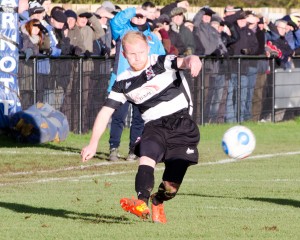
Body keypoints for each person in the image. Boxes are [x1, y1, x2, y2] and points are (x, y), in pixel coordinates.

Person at [81, 31, 202, 224]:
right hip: (154, 126)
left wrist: (194, 60)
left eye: (141, 52)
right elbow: (105, 112)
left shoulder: (160, 62)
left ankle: (157, 200)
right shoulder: (122, 82)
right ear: (123, 55)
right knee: (147, 156)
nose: (137, 58)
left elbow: (185, 61)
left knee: (171, 187)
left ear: (147, 49)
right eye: (132, 54)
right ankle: (140, 202)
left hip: (182, 126)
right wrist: (93, 143)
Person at [108, 6, 165, 161]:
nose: (139, 18)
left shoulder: (152, 38)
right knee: (118, 117)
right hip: (122, 83)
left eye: (142, 16)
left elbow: (161, 60)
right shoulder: (122, 31)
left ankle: (133, 149)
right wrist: (134, 10)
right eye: (136, 16)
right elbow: (115, 22)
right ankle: (114, 148)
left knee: (139, 119)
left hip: (143, 85)